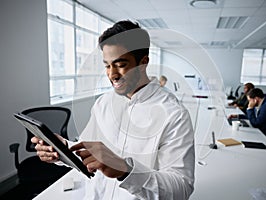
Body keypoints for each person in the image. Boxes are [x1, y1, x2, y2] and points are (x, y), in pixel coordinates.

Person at [31, 20, 195, 200]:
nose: (112, 74)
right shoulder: (103, 103)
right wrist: (62, 150)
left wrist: (126, 171)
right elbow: (87, 151)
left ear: (143, 62)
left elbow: (181, 190)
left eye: (121, 64)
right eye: (107, 65)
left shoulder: (174, 115)